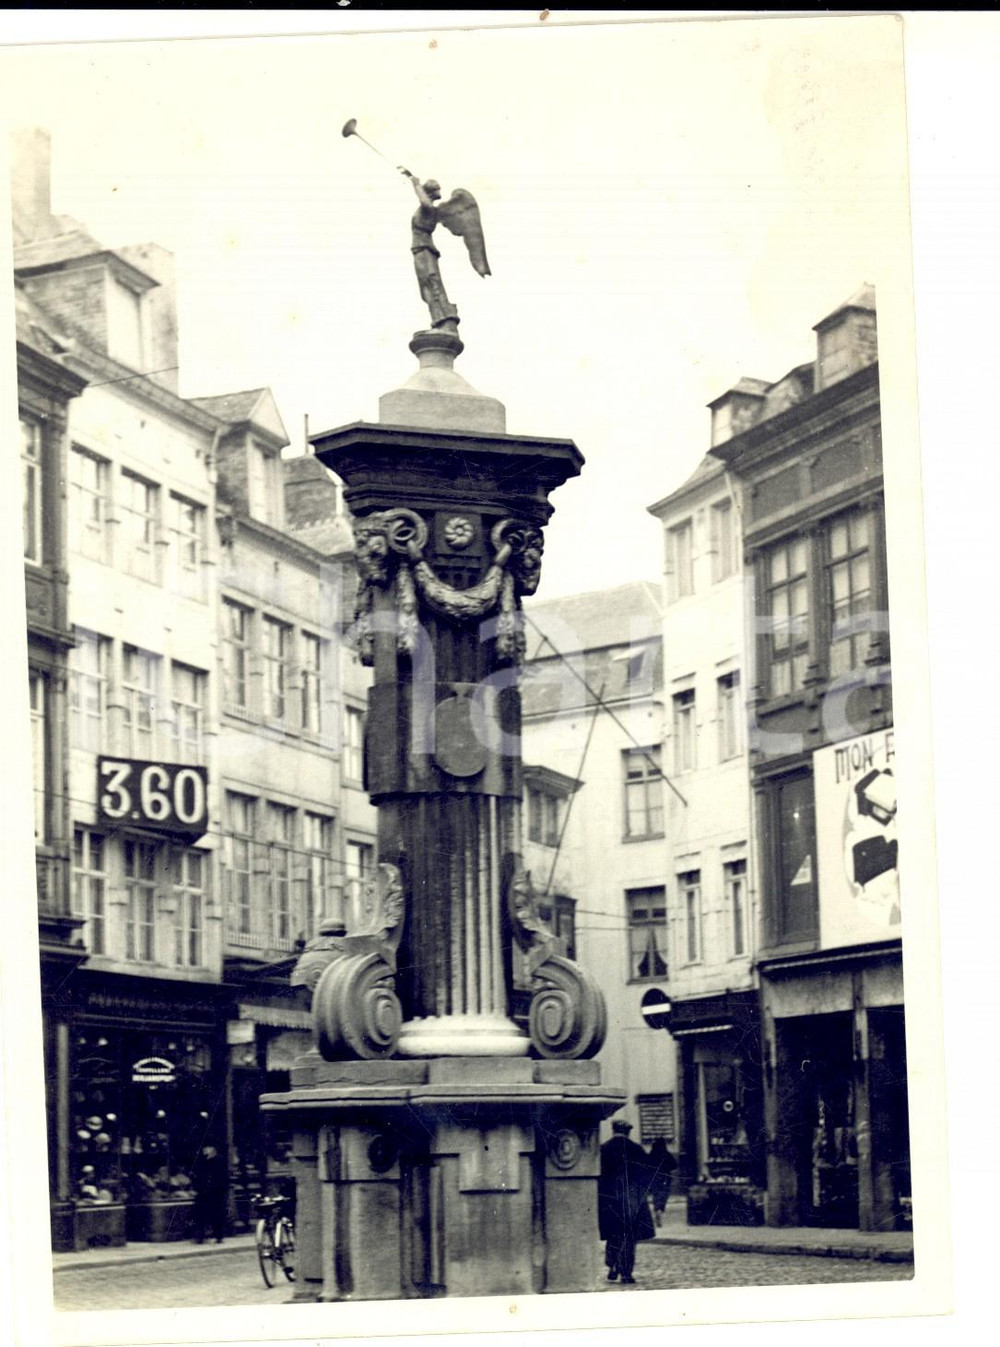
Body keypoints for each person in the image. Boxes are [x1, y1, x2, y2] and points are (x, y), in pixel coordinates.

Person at [598, 1120, 656, 1284]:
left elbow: (599, 1175)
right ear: (628, 1132)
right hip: (632, 1199)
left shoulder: (604, 1148)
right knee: (629, 1236)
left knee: (613, 1233)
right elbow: (647, 1173)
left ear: (613, 1130)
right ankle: (626, 1273)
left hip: (610, 1199)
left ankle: (612, 1265)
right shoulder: (636, 1149)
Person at [192, 1144, 227, 1244]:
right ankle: (200, 1236)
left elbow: (223, 1178)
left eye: (208, 1149)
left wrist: (220, 1190)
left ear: (213, 1150)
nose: (206, 1151)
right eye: (205, 1149)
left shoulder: (220, 1161)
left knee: (217, 1215)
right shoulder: (201, 1162)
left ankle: (218, 1235)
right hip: (203, 1193)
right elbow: (196, 1176)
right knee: (200, 1216)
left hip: (216, 1194)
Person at [646, 1137, 678, 1227]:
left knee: (656, 1194)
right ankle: (660, 1209)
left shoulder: (651, 1155)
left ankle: (657, 1209)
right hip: (665, 1177)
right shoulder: (666, 1154)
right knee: (664, 1194)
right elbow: (674, 1165)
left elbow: (646, 1166)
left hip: (654, 1178)